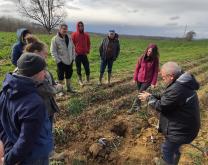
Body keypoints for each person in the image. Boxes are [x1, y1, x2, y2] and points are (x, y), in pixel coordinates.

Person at [138, 62, 200, 165]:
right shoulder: (182, 82)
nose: (163, 80)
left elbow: (163, 106)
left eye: (163, 77)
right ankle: (172, 161)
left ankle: (167, 162)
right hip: (187, 126)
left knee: (166, 149)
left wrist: (149, 98)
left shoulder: (178, 88)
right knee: (173, 148)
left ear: (171, 76)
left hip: (181, 130)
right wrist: (152, 95)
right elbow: (168, 97)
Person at [0, 53, 53, 165]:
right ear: (36, 74)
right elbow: (27, 141)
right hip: (33, 157)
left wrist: (2, 143)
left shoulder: (6, 89)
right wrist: (8, 160)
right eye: (43, 70)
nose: (45, 73)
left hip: (10, 148)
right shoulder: (34, 103)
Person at [24, 35, 61, 125]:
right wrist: (58, 88)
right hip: (40, 110)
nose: (46, 56)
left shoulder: (26, 65)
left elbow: (46, 83)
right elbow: (43, 89)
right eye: (45, 53)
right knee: (45, 132)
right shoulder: (35, 70)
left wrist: (53, 83)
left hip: (41, 108)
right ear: (37, 52)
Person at [128, 43, 159, 114]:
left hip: (147, 80)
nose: (149, 53)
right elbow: (137, 68)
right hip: (139, 79)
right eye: (148, 51)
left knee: (139, 94)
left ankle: (133, 109)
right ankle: (138, 107)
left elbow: (155, 71)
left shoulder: (155, 59)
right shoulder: (142, 57)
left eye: (151, 52)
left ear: (154, 53)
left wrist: (153, 83)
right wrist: (134, 78)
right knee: (140, 93)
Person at [50, 23, 76, 93]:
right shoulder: (55, 39)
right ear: (60, 29)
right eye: (63, 29)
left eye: (66, 29)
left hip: (69, 61)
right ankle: (60, 90)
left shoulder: (69, 37)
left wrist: (73, 58)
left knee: (69, 75)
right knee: (60, 76)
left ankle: (69, 88)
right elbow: (53, 51)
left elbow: (73, 48)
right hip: (61, 62)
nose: (65, 30)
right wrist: (58, 61)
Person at [71, 21, 91, 86]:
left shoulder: (86, 35)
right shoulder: (74, 34)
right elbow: (71, 45)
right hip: (77, 55)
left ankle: (87, 80)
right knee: (78, 68)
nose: (80, 27)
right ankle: (80, 80)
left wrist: (87, 50)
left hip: (84, 54)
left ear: (83, 26)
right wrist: (74, 53)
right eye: (79, 26)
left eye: (81, 26)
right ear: (77, 27)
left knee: (87, 68)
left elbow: (88, 43)